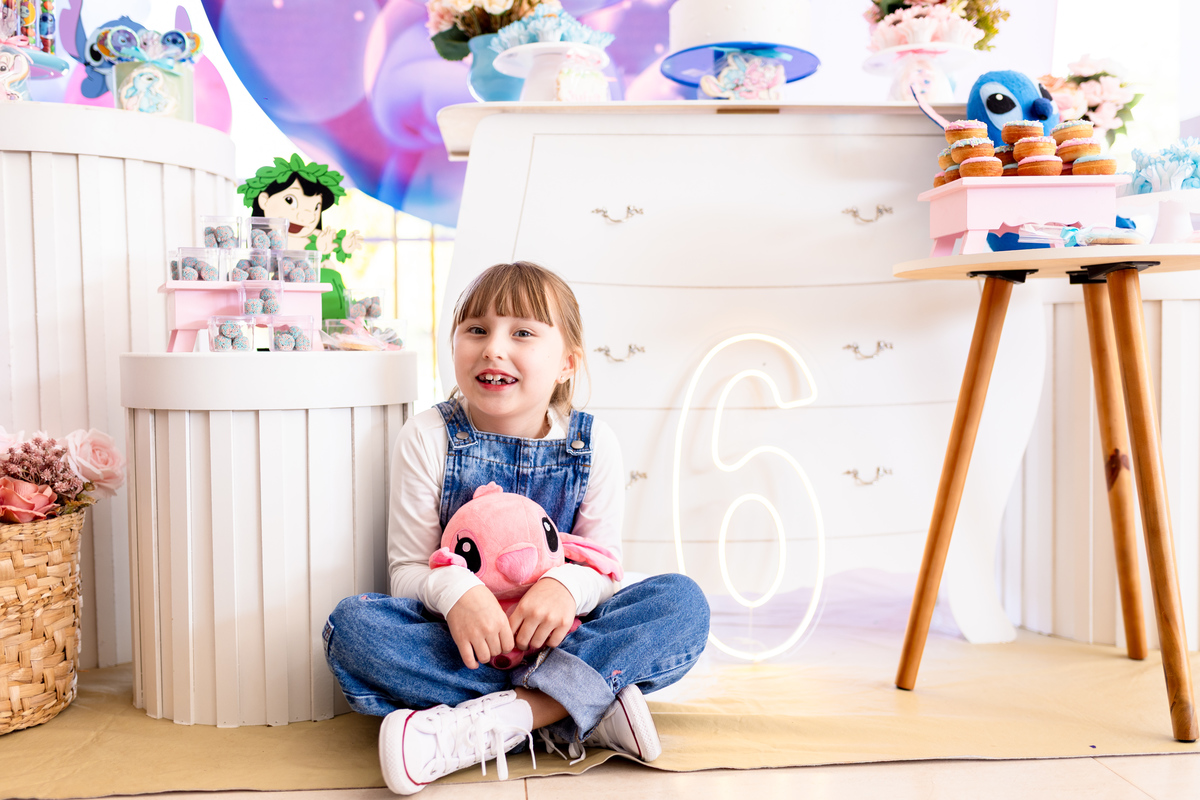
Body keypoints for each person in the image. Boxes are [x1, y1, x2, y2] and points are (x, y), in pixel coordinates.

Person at [323, 261, 710, 795]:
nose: (493, 348)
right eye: (476, 330)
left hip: (566, 640)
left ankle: (501, 720)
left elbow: (605, 571)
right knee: (353, 627)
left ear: (567, 362)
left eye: (522, 333)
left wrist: (564, 586)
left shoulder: (594, 445)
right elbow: (407, 572)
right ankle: (577, 709)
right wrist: (457, 593)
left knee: (681, 603)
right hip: (467, 648)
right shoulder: (427, 436)